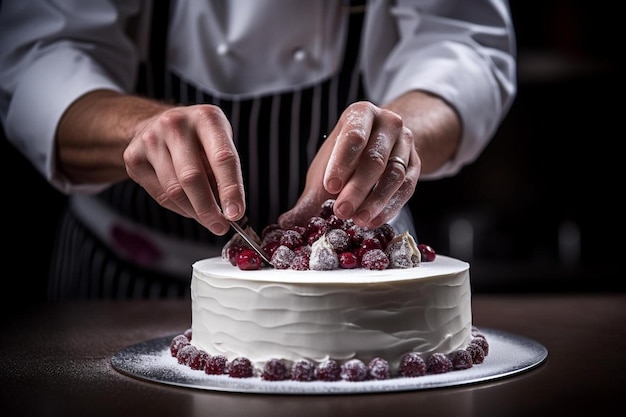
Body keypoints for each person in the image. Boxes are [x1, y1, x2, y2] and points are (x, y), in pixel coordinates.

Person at [0, 0, 516, 300]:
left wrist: (397, 136)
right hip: (122, 285)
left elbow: (461, 44)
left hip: (356, 290)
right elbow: (38, 52)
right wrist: (139, 128)